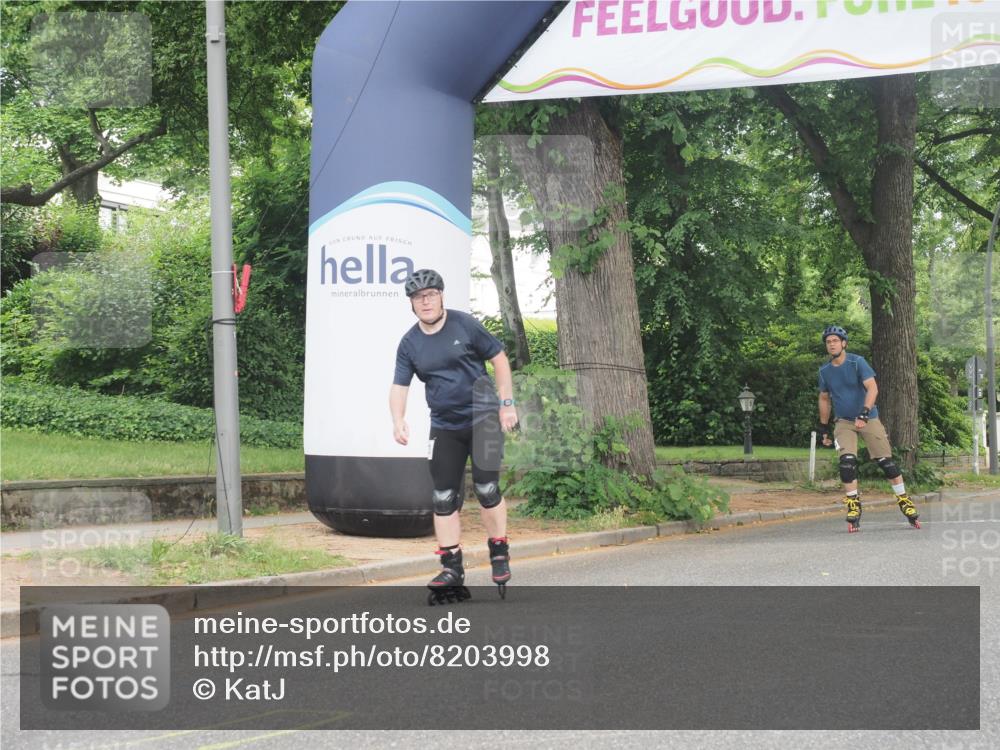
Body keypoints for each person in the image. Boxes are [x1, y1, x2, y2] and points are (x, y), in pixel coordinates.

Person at [390, 269, 519, 603]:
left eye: (431, 295)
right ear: (412, 304)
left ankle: (499, 550)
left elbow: (500, 360)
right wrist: (398, 419)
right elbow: (399, 385)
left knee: (486, 487)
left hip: (484, 418)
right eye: (419, 297)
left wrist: (507, 404)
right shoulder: (409, 343)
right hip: (445, 425)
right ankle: (451, 567)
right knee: (443, 496)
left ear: (441, 296)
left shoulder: (465, 325)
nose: (426, 301)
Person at [817, 325, 920, 532]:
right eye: (828, 342)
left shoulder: (857, 362)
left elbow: (872, 387)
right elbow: (824, 398)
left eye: (835, 341)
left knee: (886, 463)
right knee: (846, 463)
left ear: (843, 343)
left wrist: (865, 412)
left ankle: (903, 499)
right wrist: (823, 427)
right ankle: (853, 506)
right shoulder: (825, 372)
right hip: (844, 421)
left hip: (868, 418)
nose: (832, 344)